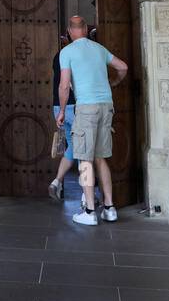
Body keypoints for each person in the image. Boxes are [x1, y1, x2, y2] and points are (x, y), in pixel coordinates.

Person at [56, 17, 128, 225]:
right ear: (86, 30)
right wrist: (113, 81)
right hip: (106, 105)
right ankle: (109, 208)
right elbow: (123, 67)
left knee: (85, 160)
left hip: (86, 108)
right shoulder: (99, 49)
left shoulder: (67, 52)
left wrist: (62, 110)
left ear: (70, 31)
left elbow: (64, 85)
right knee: (100, 158)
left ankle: (89, 211)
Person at [48, 29, 75, 201]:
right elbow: (67, 84)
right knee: (84, 151)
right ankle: (86, 197)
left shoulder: (57, 56)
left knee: (73, 145)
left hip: (57, 107)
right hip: (72, 106)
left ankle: (57, 182)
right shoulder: (74, 55)